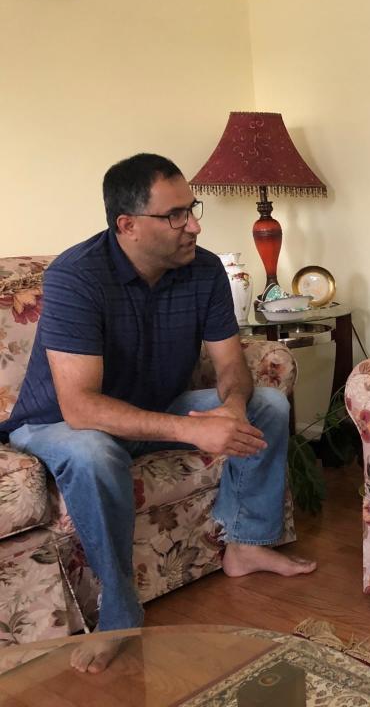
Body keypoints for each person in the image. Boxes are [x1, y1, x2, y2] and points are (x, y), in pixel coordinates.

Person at [0, 153, 316, 673]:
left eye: (192, 209)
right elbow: (81, 407)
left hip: (152, 404)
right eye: (175, 215)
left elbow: (231, 365)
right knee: (94, 452)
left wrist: (231, 412)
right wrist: (194, 430)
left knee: (269, 405)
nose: (192, 224)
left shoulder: (205, 269)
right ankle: (120, 606)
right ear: (128, 226)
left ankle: (246, 544)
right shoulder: (75, 276)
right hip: (56, 422)